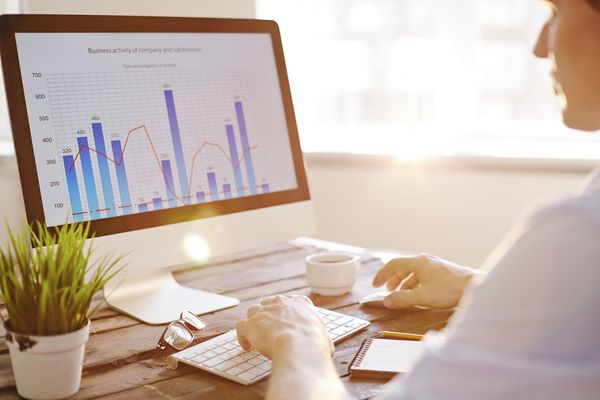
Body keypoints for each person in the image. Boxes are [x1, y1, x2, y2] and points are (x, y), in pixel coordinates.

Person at [235, 1, 600, 398]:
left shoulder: (579, 231)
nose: (539, 46)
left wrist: (298, 339)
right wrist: (479, 286)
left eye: (557, 12)